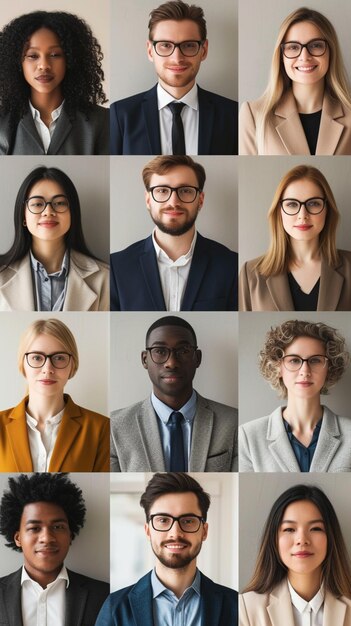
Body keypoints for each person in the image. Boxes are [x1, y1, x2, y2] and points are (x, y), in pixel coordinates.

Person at [96, 472, 238, 625]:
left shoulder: (235, 605)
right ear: (148, 531)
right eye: (163, 520)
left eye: (188, 521)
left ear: (204, 531)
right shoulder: (115, 607)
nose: (175, 533)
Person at [110, 315, 237, 471]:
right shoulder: (114, 427)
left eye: (183, 350)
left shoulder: (233, 422)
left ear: (197, 358)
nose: (171, 363)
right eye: (160, 351)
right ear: (145, 359)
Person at [110, 155, 238, 311]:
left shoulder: (230, 265)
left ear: (200, 200)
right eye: (162, 190)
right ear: (148, 200)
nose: (173, 202)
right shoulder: (116, 268)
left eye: (185, 191)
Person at [110, 0, 238, 155]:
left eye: (189, 45)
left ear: (203, 50)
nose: (177, 58)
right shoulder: (121, 114)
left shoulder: (232, 114)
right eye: (165, 45)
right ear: (150, 51)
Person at [239, 319, 351, 472]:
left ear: (329, 367)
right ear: (278, 367)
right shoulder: (248, 437)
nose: (305, 370)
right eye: (294, 360)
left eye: (315, 360)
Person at [0, 318, 109, 472]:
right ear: (22, 365)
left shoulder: (101, 428)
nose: (47, 368)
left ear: (72, 365)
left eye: (59, 358)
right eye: (37, 358)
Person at [0, 473, 109, 626]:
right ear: (18, 538)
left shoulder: (104, 596)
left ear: (70, 535)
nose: (47, 538)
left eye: (58, 527)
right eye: (34, 528)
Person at [239, 7, 351, 155]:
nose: (304, 57)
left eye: (316, 45)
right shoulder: (254, 115)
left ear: (331, 51)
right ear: (281, 56)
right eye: (293, 47)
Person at [239, 164, 351, 311]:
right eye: (292, 204)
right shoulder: (251, 273)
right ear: (280, 212)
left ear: (327, 209)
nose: (302, 215)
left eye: (313, 203)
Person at [0, 166, 109, 311]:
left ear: (72, 213)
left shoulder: (105, 278)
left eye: (59, 203)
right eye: (38, 204)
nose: (48, 212)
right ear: (23, 216)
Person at [240, 484, 351, 625]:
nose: (302, 540)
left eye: (315, 528)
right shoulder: (246, 609)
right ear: (274, 539)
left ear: (331, 536)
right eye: (289, 529)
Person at [0, 10, 109, 155]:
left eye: (55, 55)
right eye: (33, 56)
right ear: (18, 63)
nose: (44, 65)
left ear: (70, 59)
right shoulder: (3, 123)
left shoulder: (102, 121)